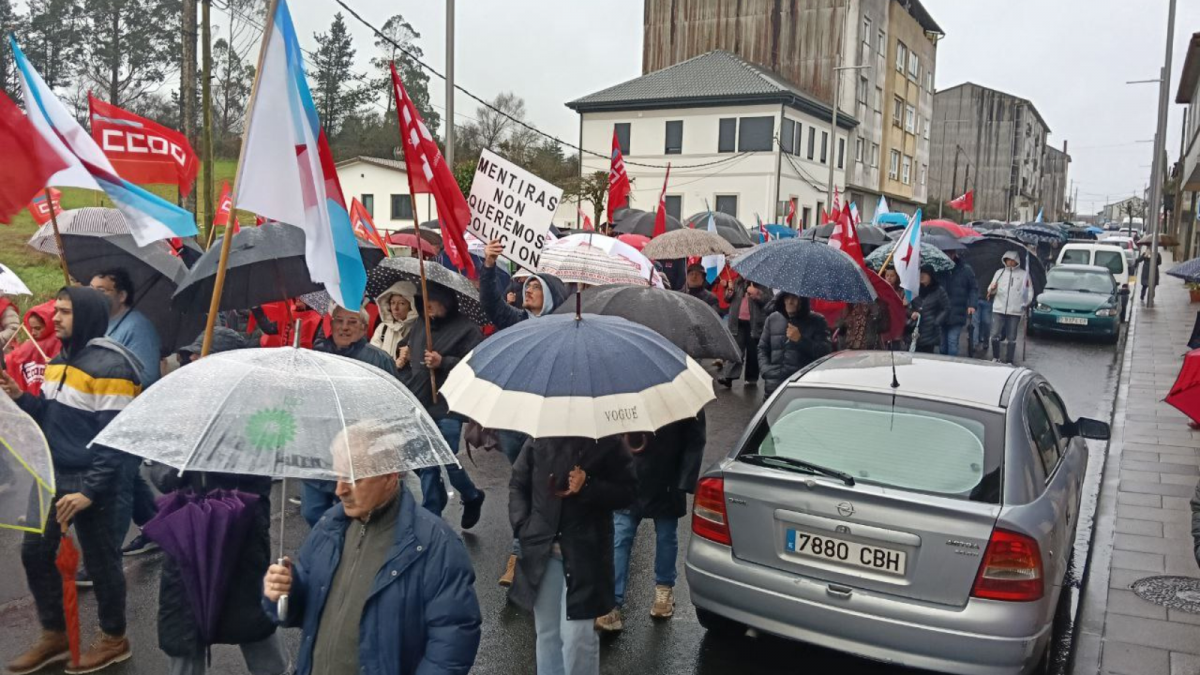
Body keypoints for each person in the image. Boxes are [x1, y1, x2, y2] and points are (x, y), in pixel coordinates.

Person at [262, 423, 482, 675]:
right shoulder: (329, 527)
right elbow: (303, 610)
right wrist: (286, 590)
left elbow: (452, 644)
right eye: (338, 476)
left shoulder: (435, 545)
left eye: (353, 478)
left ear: (389, 477)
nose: (340, 490)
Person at [2, 287, 141, 674]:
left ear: (88, 316)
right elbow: (53, 416)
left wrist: (88, 491)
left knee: (101, 563)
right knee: (33, 552)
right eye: (56, 310)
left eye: (65, 312)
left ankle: (115, 638)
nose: (55, 318)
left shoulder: (112, 367)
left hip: (93, 480)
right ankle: (55, 634)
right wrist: (21, 399)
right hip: (53, 473)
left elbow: (116, 439)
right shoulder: (60, 359)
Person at [152, 327, 287, 675]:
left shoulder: (261, 416)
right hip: (189, 538)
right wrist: (185, 454)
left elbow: (257, 478)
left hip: (239, 540)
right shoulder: (185, 410)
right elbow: (161, 476)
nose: (194, 364)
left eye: (203, 358)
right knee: (184, 628)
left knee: (253, 622)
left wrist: (215, 446)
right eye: (193, 358)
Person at [480, 239, 570, 585]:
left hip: (548, 425)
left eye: (537, 286)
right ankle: (523, 552)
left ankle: (523, 553)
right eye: (527, 284)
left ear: (550, 295)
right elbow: (491, 304)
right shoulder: (517, 321)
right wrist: (489, 266)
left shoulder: (564, 328)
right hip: (514, 421)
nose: (528, 290)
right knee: (523, 485)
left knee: (539, 486)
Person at [508, 436, 636, 675]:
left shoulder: (608, 442)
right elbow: (518, 483)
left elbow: (627, 493)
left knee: (578, 636)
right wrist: (522, 526)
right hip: (542, 552)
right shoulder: (538, 440)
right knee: (547, 633)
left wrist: (588, 485)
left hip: (585, 555)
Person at [595, 415, 706, 632]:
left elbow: (695, 438)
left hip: (667, 478)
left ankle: (664, 588)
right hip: (629, 477)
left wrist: (685, 480)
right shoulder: (624, 389)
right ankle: (612, 603)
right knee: (620, 537)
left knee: (665, 535)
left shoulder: (679, 394)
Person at [302, 306, 398, 527]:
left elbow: (392, 407)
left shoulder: (378, 360)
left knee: (352, 519)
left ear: (364, 328)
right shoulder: (315, 358)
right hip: (318, 452)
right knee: (313, 514)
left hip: (356, 455)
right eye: (339, 321)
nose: (344, 327)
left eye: (352, 322)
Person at [403, 286, 487, 527]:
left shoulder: (466, 329)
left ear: (447, 302)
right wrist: (403, 353)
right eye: (423, 300)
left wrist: (444, 362)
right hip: (420, 402)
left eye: (433, 300)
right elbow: (408, 346)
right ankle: (450, 506)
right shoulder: (420, 323)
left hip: (448, 406)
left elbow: (477, 364)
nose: (427, 305)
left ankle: (453, 504)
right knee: (424, 461)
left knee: (443, 460)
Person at [90, 269, 161, 386]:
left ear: (121, 296)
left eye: (101, 290)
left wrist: (102, 378)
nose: (92, 295)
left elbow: (148, 377)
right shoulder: (96, 320)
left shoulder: (138, 327)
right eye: (90, 288)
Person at [758, 292, 832, 396]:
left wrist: (800, 340)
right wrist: (766, 370)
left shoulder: (817, 321)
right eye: (786, 297)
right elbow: (762, 348)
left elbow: (825, 353)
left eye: (794, 297)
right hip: (773, 388)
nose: (790, 301)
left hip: (801, 387)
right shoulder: (772, 319)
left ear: (802, 300)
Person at [718, 278, 771, 388]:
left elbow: (770, 302)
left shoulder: (763, 285)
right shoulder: (737, 283)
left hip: (754, 323)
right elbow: (727, 299)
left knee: (752, 352)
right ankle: (728, 376)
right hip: (737, 322)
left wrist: (757, 294)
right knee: (735, 348)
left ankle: (751, 378)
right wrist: (729, 292)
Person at [5, 300, 61, 395]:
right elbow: (15, 358)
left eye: (38, 328)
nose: (33, 333)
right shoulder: (31, 343)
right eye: (31, 328)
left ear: (49, 325)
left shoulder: (58, 341)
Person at [988, 251, 1032, 364]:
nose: (1010, 262)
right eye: (1008, 260)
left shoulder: (1024, 274)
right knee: (994, 335)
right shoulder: (999, 273)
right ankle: (996, 357)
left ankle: (1009, 360)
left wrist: (1025, 303)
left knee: (1011, 337)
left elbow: (1029, 291)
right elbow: (991, 290)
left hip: (1015, 311)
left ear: (1017, 261)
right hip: (999, 308)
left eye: (1012, 260)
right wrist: (992, 288)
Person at [938, 251, 978, 356]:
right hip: (941, 312)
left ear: (954, 254)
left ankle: (951, 367)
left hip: (957, 311)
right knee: (942, 345)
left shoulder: (966, 270)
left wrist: (972, 304)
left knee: (952, 341)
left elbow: (973, 288)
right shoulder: (939, 269)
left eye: (950, 254)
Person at [370, 281, 418, 368]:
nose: (395, 308)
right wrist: (392, 366)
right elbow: (372, 356)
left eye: (402, 303)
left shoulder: (418, 328)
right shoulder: (383, 327)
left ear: (412, 306)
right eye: (392, 303)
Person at [909, 267, 949, 354]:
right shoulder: (913, 289)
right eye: (920, 273)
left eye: (925, 274)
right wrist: (912, 313)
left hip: (931, 331)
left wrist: (937, 321)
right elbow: (907, 306)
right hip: (915, 329)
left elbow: (946, 308)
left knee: (927, 356)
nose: (922, 276)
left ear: (931, 276)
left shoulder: (939, 290)